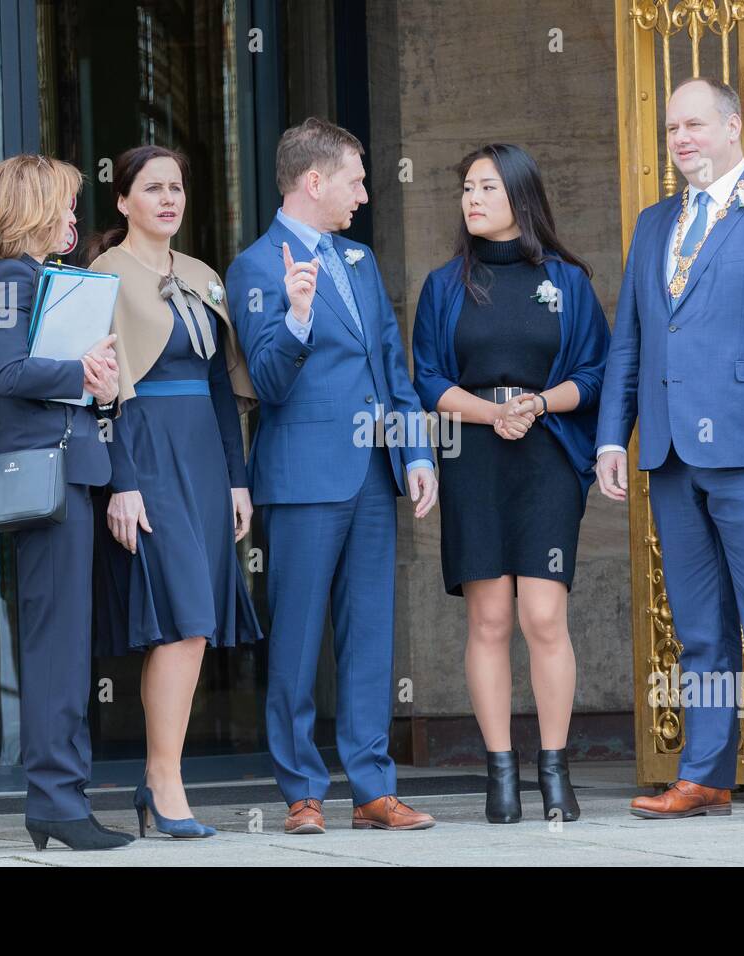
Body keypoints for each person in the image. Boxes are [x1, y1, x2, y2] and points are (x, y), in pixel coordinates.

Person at [595, 76, 744, 823]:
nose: (681, 140)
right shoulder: (652, 224)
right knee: (699, 626)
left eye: (694, 125)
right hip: (671, 455)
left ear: (734, 126)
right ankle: (703, 772)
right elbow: (630, 343)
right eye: (672, 129)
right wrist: (614, 433)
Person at [226, 117, 439, 834]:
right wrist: (295, 317)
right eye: (354, 179)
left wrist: (414, 453)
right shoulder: (256, 266)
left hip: (375, 476)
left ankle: (374, 789)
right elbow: (266, 382)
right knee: (295, 639)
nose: (364, 193)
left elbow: (391, 366)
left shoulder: (361, 261)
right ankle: (301, 792)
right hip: (304, 478)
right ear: (313, 182)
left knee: (370, 634)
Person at [411, 143, 609, 824]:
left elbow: (594, 374)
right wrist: (492, 412)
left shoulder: (567, 281)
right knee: (489, 618)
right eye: (466, 188)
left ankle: (554, 770)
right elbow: (429, 379)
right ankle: (500, 776)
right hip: (474, 453)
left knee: (543, 615)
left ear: (520, 197)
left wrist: (536, 406)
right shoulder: (444, 285)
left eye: (487, 188)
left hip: (546, 452)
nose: (471, 199)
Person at [87, 146, 262, 839]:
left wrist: (237, 479)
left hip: (202, 456)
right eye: (152, 188)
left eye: (177, 187)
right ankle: (164, 779)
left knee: (196, 623)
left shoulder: (202, 276)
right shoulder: (104, 273)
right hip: (146, 449)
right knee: (185, 619)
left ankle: (162, 778)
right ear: (124, 201)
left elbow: (221, 386)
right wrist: (120, 484)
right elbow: (102, 392)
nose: (168, 198)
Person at [0, 154, 128, 850]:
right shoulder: (10, 278)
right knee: (57, 647)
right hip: (49, 483)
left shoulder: (35, 279)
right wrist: (81, 372)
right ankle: (57, 802)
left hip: (66, 477)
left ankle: (60, 799)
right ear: (32, 207)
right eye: (63, 204)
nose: (72, 216)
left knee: (63, 644)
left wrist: (98, 383)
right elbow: (7, 371)